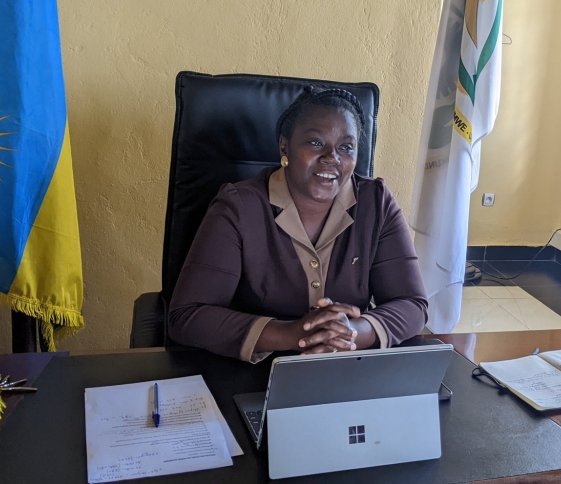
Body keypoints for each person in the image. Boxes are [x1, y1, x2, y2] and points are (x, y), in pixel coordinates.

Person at [167, 87, 428, 362]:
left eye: (346, 147)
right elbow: (188, 316)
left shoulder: (377, 203)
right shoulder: (238, 206)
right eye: (316, 143)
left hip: (347, 370)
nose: (332, 157)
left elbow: (412, 304)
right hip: (253, 374)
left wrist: (350, 332)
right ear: (284, 147)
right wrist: (295, 334)